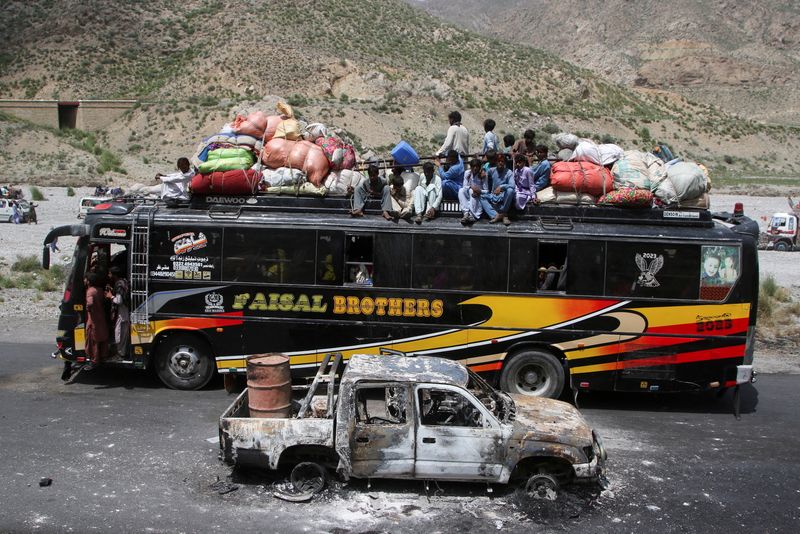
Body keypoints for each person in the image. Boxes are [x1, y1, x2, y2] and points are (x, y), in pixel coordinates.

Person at [83, 271, 109, 370]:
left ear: (89, 281)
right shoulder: (99, 290)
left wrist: (88, 309)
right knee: (102, 336)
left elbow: (90, 303)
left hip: (93, 319)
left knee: (93, 340)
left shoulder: (90, 291)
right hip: (101, 317)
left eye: (86, 279)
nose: (84, 280)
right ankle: (103, 356)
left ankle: (95, 360)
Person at [480, 152, 515, 225]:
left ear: (505, 163)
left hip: (503, 196)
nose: (500, 163)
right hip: (493, 195)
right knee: (482, 197)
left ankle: (503, 212)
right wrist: (482, 170)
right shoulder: (491, 170)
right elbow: (483, 173)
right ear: (495, 162)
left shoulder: (509, 172)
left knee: (510, 191)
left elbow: (512, 185)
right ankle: (496, 215)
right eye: (498, 161)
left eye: (502, 161)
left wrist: (501, 187)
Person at [107, 266, 130, 360]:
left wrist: (110, 296)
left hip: (122, 313)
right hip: (124, 312)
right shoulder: (123, 282)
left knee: (119, 334)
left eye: (110, 273)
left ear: (114, 275)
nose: (109, 275)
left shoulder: (119, 285)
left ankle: (121, 353)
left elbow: (119, 300)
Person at [458, 158, 488, 225]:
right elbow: (465, 186)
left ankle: (472, 215)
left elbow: (486, 191)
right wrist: (471, 187)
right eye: (473, 166)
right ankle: (466, 214)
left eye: (477, 166)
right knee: (461, 190)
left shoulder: (483, 176)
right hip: (470, 194)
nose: (475, 168)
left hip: (479, 197)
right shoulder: (467, 173)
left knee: (472, 191)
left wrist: (479, 191)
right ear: (470, 167)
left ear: (479, 167)